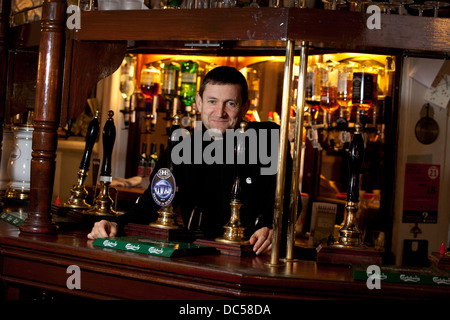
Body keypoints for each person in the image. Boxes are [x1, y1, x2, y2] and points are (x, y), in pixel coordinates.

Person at [88, 66, 295, 255]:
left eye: (230, 103)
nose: (220, 112)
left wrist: (271, 228)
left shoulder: (268, 140)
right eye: (212, 101)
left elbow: (290, 203)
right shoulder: (183, 146)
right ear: (199, 102)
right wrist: (115, 224)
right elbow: (153, 201)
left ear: (244, 107)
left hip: (253, 257)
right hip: (199, 257)